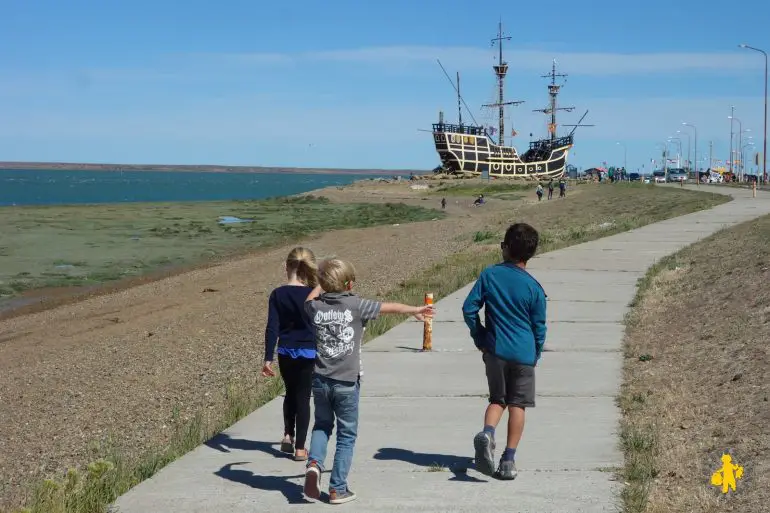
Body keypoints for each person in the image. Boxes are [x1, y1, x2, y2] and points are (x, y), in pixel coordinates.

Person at [303, 258, 435, 504]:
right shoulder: (356, 305)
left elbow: (308, 300)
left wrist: (321, 284)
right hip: (347, 382)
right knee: (346, 434)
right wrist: (415, 310)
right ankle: (337, 488)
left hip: (320, 380)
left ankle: (314, 465)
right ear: (350, 284)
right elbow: (389, 307)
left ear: (322, 283)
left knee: (322, 425)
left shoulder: (316, 308)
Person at [461, 223, 547, 480]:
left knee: (497, 400)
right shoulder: (534, 288)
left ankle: (487, 433)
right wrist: (536, 353)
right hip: (524, 354)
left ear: (507, 249)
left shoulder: (489, 275)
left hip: (496, 350)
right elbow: (539, 327)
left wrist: (480, 336)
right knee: (518, 405)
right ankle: (508, 460)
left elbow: (468, 309)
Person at [262, 247, 319, 461]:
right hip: (308, 351)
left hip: (285, 351)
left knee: (290, 392)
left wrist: (268, 358)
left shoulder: (278, 294)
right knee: (303, 397)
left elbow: (272, 328)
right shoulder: (313, 294)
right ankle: (301, 449)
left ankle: (288, 434)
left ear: (286, 267)